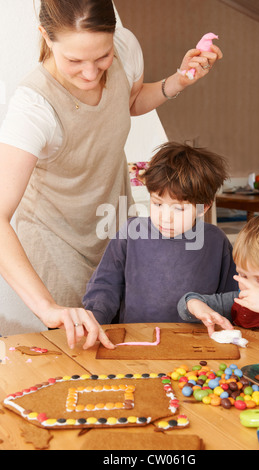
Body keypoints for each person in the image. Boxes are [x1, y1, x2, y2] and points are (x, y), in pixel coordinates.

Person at [0, 0, 223, 349]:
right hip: (59, 239)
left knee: (126, 335)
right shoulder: (33, 107)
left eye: (101, 58)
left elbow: (130, 102)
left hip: (115, 223)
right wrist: (48, 308)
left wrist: (178, 80)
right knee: (84, 345)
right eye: (74, 61)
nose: (91, 74)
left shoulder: (126, 47)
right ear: (45, 36)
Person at [83, 142, 238, 324]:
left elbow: (230, 299)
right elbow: (105, 285)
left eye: (179, 209)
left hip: (196, 344)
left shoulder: (216, 242)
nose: (166, 218)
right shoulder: (131, 233)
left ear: (203, 207)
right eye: (157, 204)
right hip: (137, 340)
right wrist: (95, 318)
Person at [178, 211, 259, 339]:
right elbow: (187, 302)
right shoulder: (240, 300)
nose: (249, 287)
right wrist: (197, 307)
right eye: (243, 276)